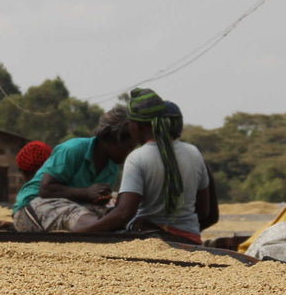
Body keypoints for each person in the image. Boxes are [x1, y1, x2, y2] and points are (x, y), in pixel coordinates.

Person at [74, 88, 218, 244]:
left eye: (129, 123)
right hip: (190, 240)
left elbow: (124, 214)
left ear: (136, 125)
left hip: (150, 242)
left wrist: (81, 234)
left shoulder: (137, 158)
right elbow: (204, 212)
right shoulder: (194, 152)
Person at [11, 107, 135, 232]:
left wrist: (100, 200)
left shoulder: (112, 167)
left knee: (113, 212)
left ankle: (98, 227)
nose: (129, 153)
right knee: (74, 214)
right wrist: (86, 193)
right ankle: (91, 229)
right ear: (109, 138)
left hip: (73, 204)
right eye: (128, 148)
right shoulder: (72, 149)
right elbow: (46, 189)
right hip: (33, 206)